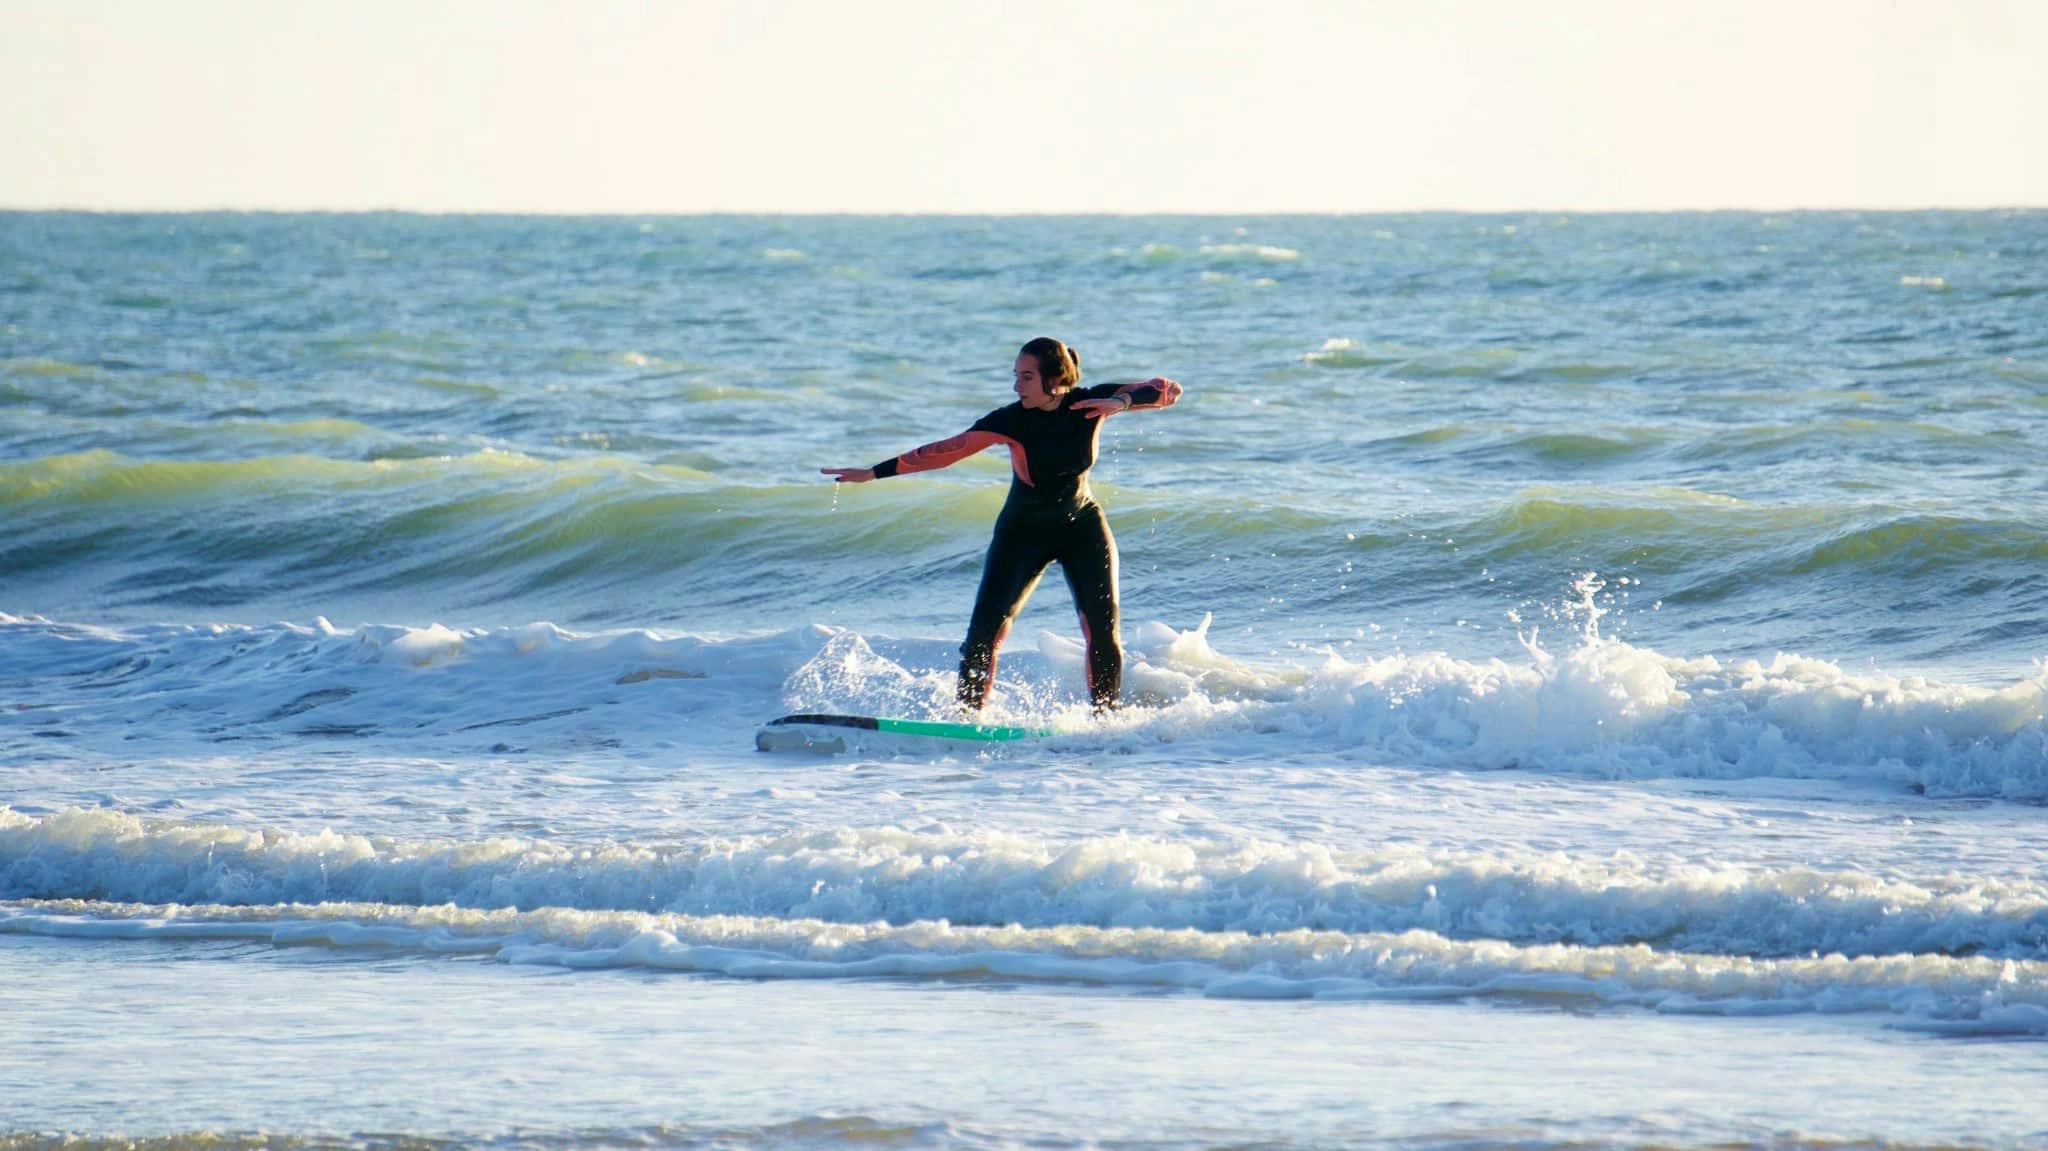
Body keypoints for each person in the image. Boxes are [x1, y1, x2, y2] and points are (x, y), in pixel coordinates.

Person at [823, 337, 1182, 713]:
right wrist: (872, 473)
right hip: (1022, 531)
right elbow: (945, 451)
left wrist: (1122, 402)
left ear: (1055, 379)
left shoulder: (1089, 403)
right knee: (983, 634)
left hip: (1082, 526)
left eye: (1026, 377)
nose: (1016, 386)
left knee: (1102, 632)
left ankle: (1105, 720)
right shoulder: (1011, 420)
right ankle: (966, 718)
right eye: (1016, 376)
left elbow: (1168, 389)